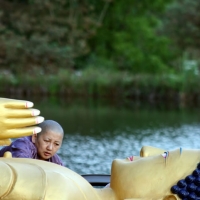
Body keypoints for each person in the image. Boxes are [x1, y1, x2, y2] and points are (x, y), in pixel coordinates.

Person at [0, 119, 64, 166]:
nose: (50, 148)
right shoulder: (22, 145)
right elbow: (23, 167)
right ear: (34, 137)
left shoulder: (55, 160)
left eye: (56, 144)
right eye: (47, 141)